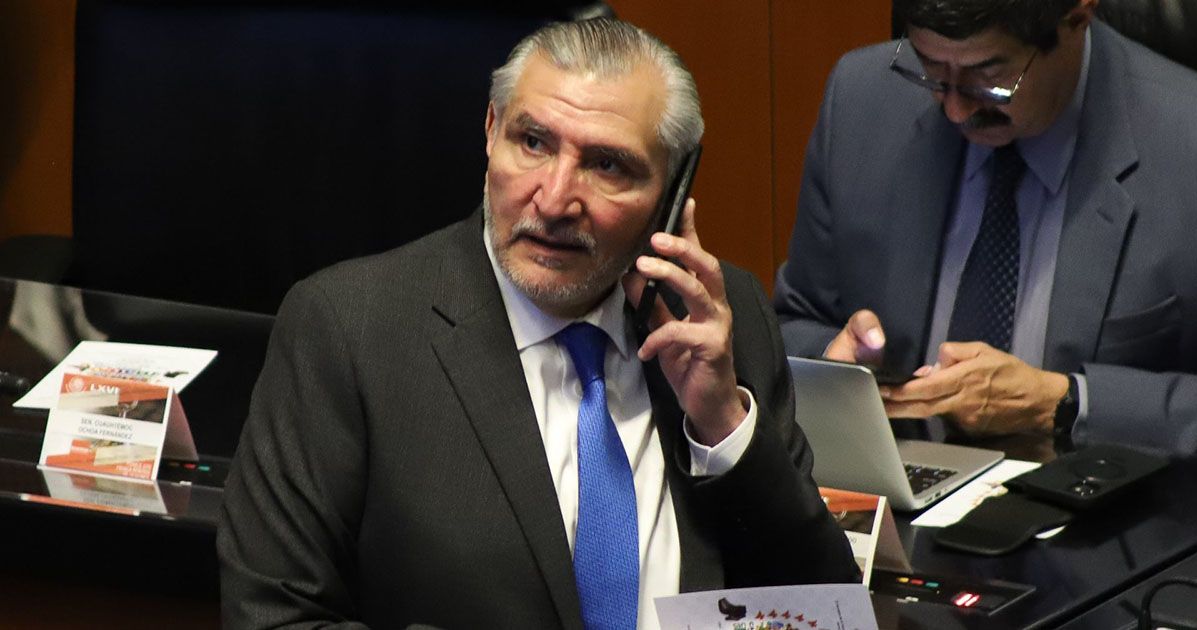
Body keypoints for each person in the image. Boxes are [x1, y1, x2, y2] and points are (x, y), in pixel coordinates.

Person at [218, 17, 857, 630]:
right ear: (490, 130)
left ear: (672, 187)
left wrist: (722, 426)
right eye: (533, 143)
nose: (554, 200)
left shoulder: (721, 319)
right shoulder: (349, 328)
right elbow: (274, 617)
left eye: (607, 165)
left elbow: (824, 611)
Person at [773, 0, 1197, 454]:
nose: (956, 110)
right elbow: (795, 324)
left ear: (1076, 17)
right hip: (903, 487)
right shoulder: (863, 97)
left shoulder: (1186, 140)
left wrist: (1065, 402)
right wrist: (834, 363)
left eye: (989, 75)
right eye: (931, 68)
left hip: (1101, 495)